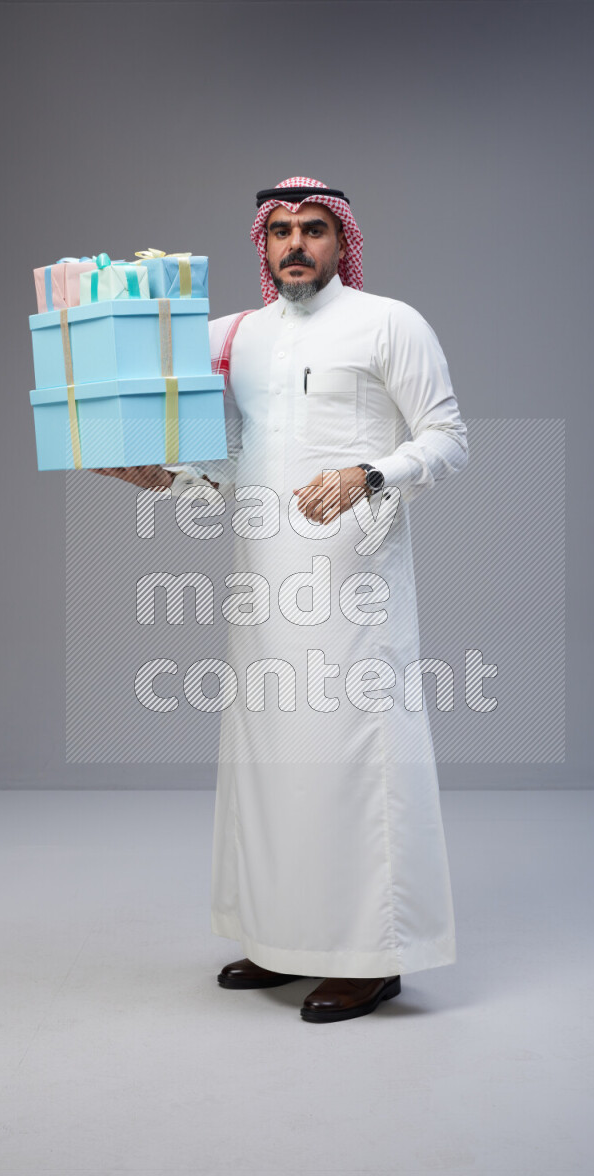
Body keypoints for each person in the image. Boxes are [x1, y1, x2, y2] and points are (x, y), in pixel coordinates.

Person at [93, 176, 469, 1023]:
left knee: (353, 763)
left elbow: (448, 438)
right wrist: (162, 478)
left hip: (354, 584)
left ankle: (372, 958)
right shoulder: (238, 337)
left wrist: (369, 475)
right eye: (281, 232)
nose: (296, 244)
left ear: (341, 242)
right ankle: (283, 940)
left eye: (313, 230)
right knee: (270, 766)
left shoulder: (389, 323)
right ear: (261, 246)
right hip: (264, 583)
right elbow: (233, 466)